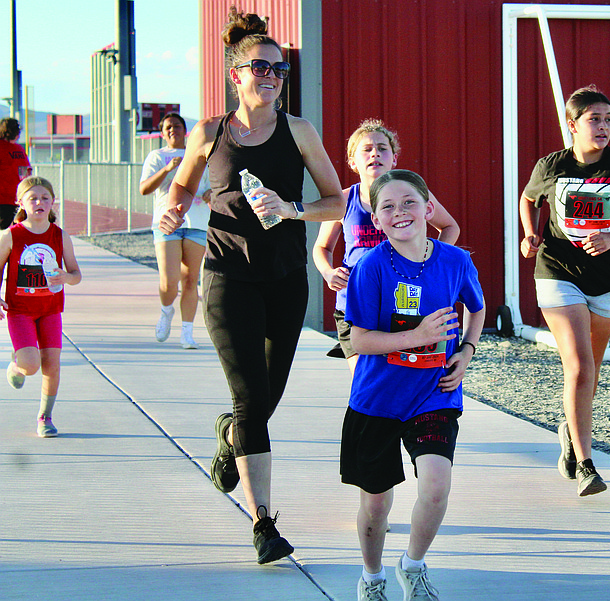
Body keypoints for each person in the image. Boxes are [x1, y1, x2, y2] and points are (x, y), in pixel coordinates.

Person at [158, 9, 345, 564]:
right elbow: (183, 188)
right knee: (250, 398)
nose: (270, 76)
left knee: (262, 402)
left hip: (286, 280)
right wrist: (173, 211)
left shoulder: (299, 131)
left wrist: (293, 209)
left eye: (279, 69)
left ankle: (228, 435)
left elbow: (338, 200)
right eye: (259, 67)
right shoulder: (208, 132)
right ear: (234, 74)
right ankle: (263, 521)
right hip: (226, 277)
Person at [342, 169, 485, 601]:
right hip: (377, 400)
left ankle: (413, 565)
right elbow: (357, 339)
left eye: (408, 202)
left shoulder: (455, 261)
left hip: (434, 394)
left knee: (436, 486)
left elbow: (475, 309)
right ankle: (372, 576)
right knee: (376, 505)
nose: (399, 212)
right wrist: (417, 337)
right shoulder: (370, 268)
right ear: (376, 220)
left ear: (428, 209)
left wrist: (468, 351)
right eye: (387, 206)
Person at [520, 85, 610, 497]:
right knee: (579, 366)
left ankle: (569, 427)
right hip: (558, 271)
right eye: (594, 119)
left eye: (609, 120)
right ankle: (586, 464)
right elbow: (528, 199)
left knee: (589, 372)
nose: (603, 127)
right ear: (572, 124)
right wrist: (530, 234)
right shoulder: (551, 166)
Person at [313, 119, 460, 373]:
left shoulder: (414, 195)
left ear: (394, 159)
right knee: (365, 381)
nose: (375, 154)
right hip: (355, 303)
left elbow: (450, 228)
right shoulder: (344, 200)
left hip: (403, 301)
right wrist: (328, 272)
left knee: (402, 378)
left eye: (382, 148)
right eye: (367, 149)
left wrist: (428, 264)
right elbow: (322, 248)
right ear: (352, 162)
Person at [0, 176, 82, 437]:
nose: (39, 202)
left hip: (50, 309)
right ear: (20, 202)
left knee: (52, 364)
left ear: (53, 202)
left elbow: (76, 274)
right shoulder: (11, 236)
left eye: (45, 198)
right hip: (20, 309)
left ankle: (45, 417)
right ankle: (17, 365)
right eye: (33, 198)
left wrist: (66, 278)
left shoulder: (60, 236)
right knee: (31, 365)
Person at [140, 112, 211, 349]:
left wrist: (211, 194)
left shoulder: (199, 155)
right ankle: (166, 310)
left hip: (197, 222)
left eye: (177, 126)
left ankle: (187, 333)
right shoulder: (157, 156)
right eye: (168, 127)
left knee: (190, 280)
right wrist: (167, 169)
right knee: (169, 280)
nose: (173, 130)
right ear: (162, 132)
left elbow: (211, 187)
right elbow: (144, 189)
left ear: (185, 130)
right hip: (167, 222)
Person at [0, 118, 32, 230]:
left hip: (4, 198)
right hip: (17, 197)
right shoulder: (19, 149)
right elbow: (26, 173)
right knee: (14, 232)